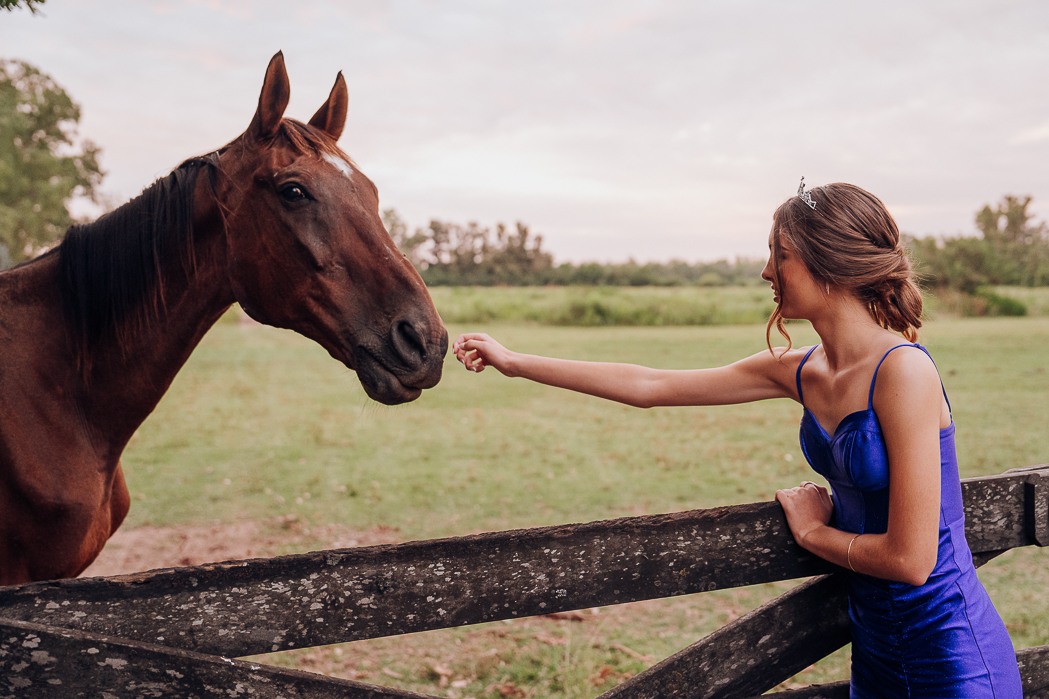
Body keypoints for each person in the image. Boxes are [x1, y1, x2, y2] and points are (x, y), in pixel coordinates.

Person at [452, 180, 1022, 698]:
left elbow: (912, 560)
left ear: (829, 262)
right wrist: (516, 361)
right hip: (873, 651)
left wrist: (813, 532)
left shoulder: (904, 373)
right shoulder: (800, 370)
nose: (766, 272)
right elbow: (650, 385)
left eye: (779, 255)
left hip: (952, 657)